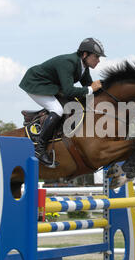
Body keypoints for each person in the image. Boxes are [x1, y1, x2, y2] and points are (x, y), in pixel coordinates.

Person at [19, 38, 105, 166]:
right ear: (85, 54)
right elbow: (70, 91)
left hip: (51, 85)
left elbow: (88, 88)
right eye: (96, 57)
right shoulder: (68, 62)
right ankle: (39, 149)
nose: (98, 60)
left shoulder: (83, 67)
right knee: (58, 110)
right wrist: (91, 88)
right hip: (36, 83)